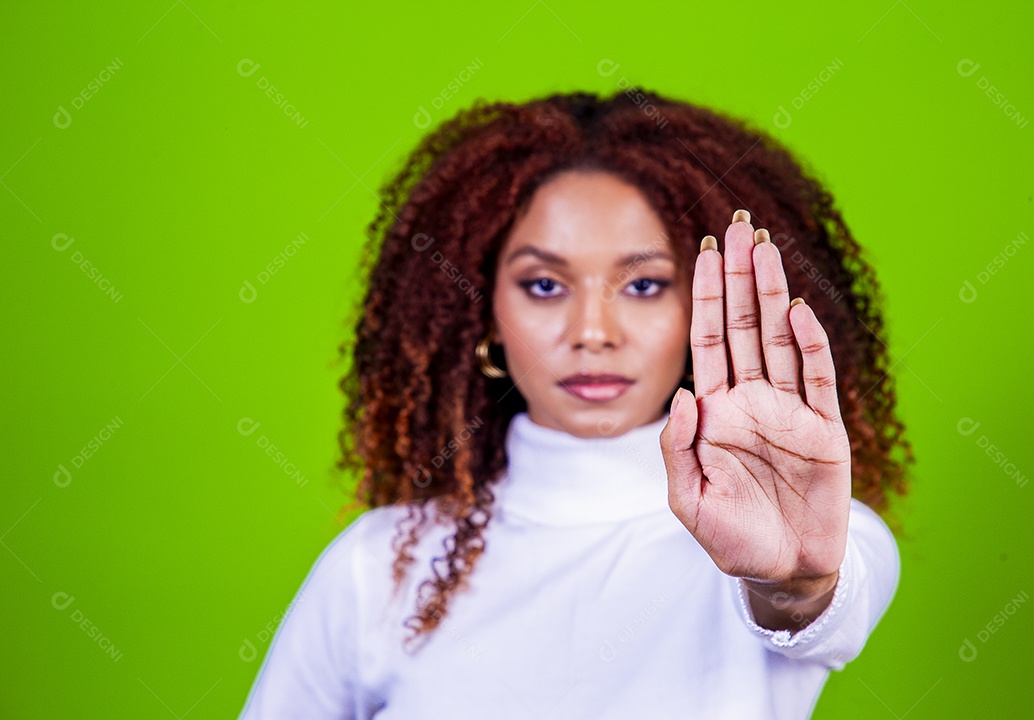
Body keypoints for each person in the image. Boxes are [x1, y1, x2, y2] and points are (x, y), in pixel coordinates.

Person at [237, 89, 911, 719]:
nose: (593, 331)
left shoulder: (803, 532)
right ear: (485, 310)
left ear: (697, 308)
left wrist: (793, 586)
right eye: (544, 285)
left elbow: (818, 607)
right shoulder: (376, 565)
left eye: (644, 285)